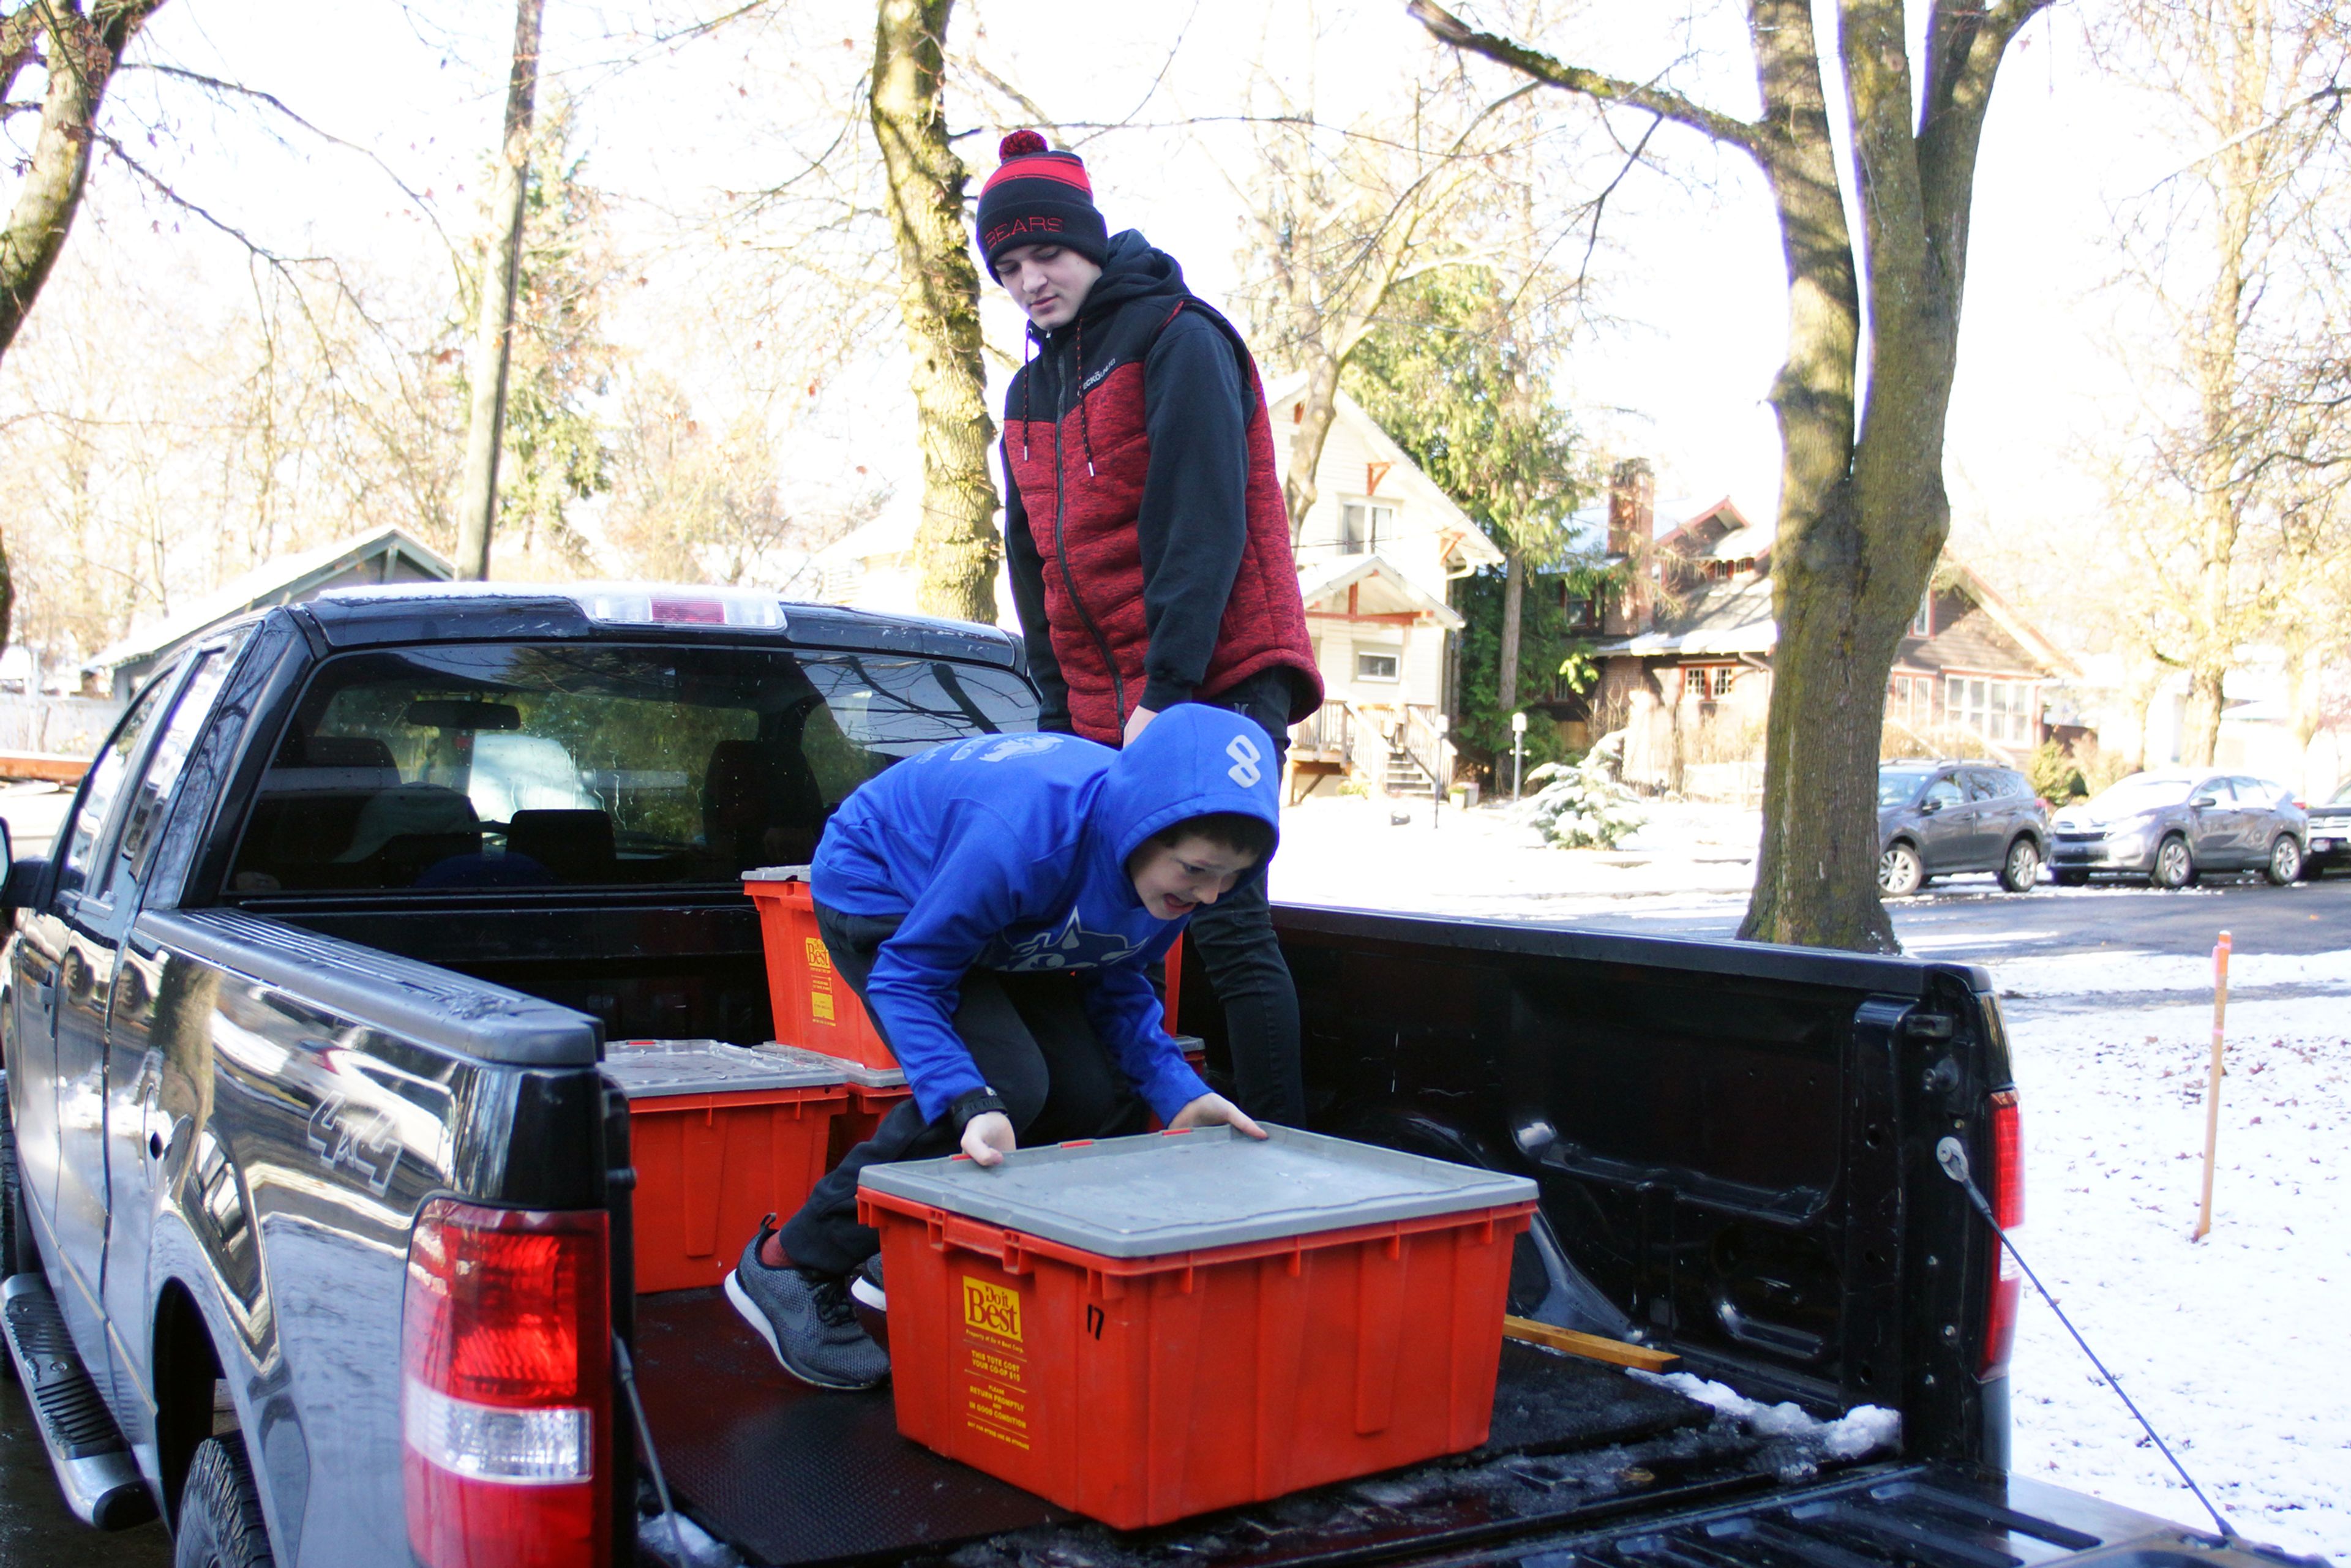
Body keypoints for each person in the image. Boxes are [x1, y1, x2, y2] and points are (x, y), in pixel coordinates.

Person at [727, 705, 1280, 1390]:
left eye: (1229, 877)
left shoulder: (1171, 884)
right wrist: (968, 1099)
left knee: (1094, 1090)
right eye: (1197, 870)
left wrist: (1181, 1093)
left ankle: (901, 1249)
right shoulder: (1025, 837)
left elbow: (1121, 980)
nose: (1209, 894)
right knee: (1005, 1085)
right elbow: (909, 973)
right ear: (1141, 824)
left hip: (1006, 920)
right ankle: (792, 1262)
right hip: (889, 890)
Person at [978, 129, 1321, 1125]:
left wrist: (1167, 695)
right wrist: (1055, 711)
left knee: (1227, 927)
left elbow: (1200, 525)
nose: (1029, 281)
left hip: (1210, 678)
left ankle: (1285, 1153)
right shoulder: (1029, 393)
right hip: (1104, 700)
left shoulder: (1178, 338)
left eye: (1045, 255)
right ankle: (1133, 1136)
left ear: (1090, 243)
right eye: (1007, 267)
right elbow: (1033, 563)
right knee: (1096, 930)